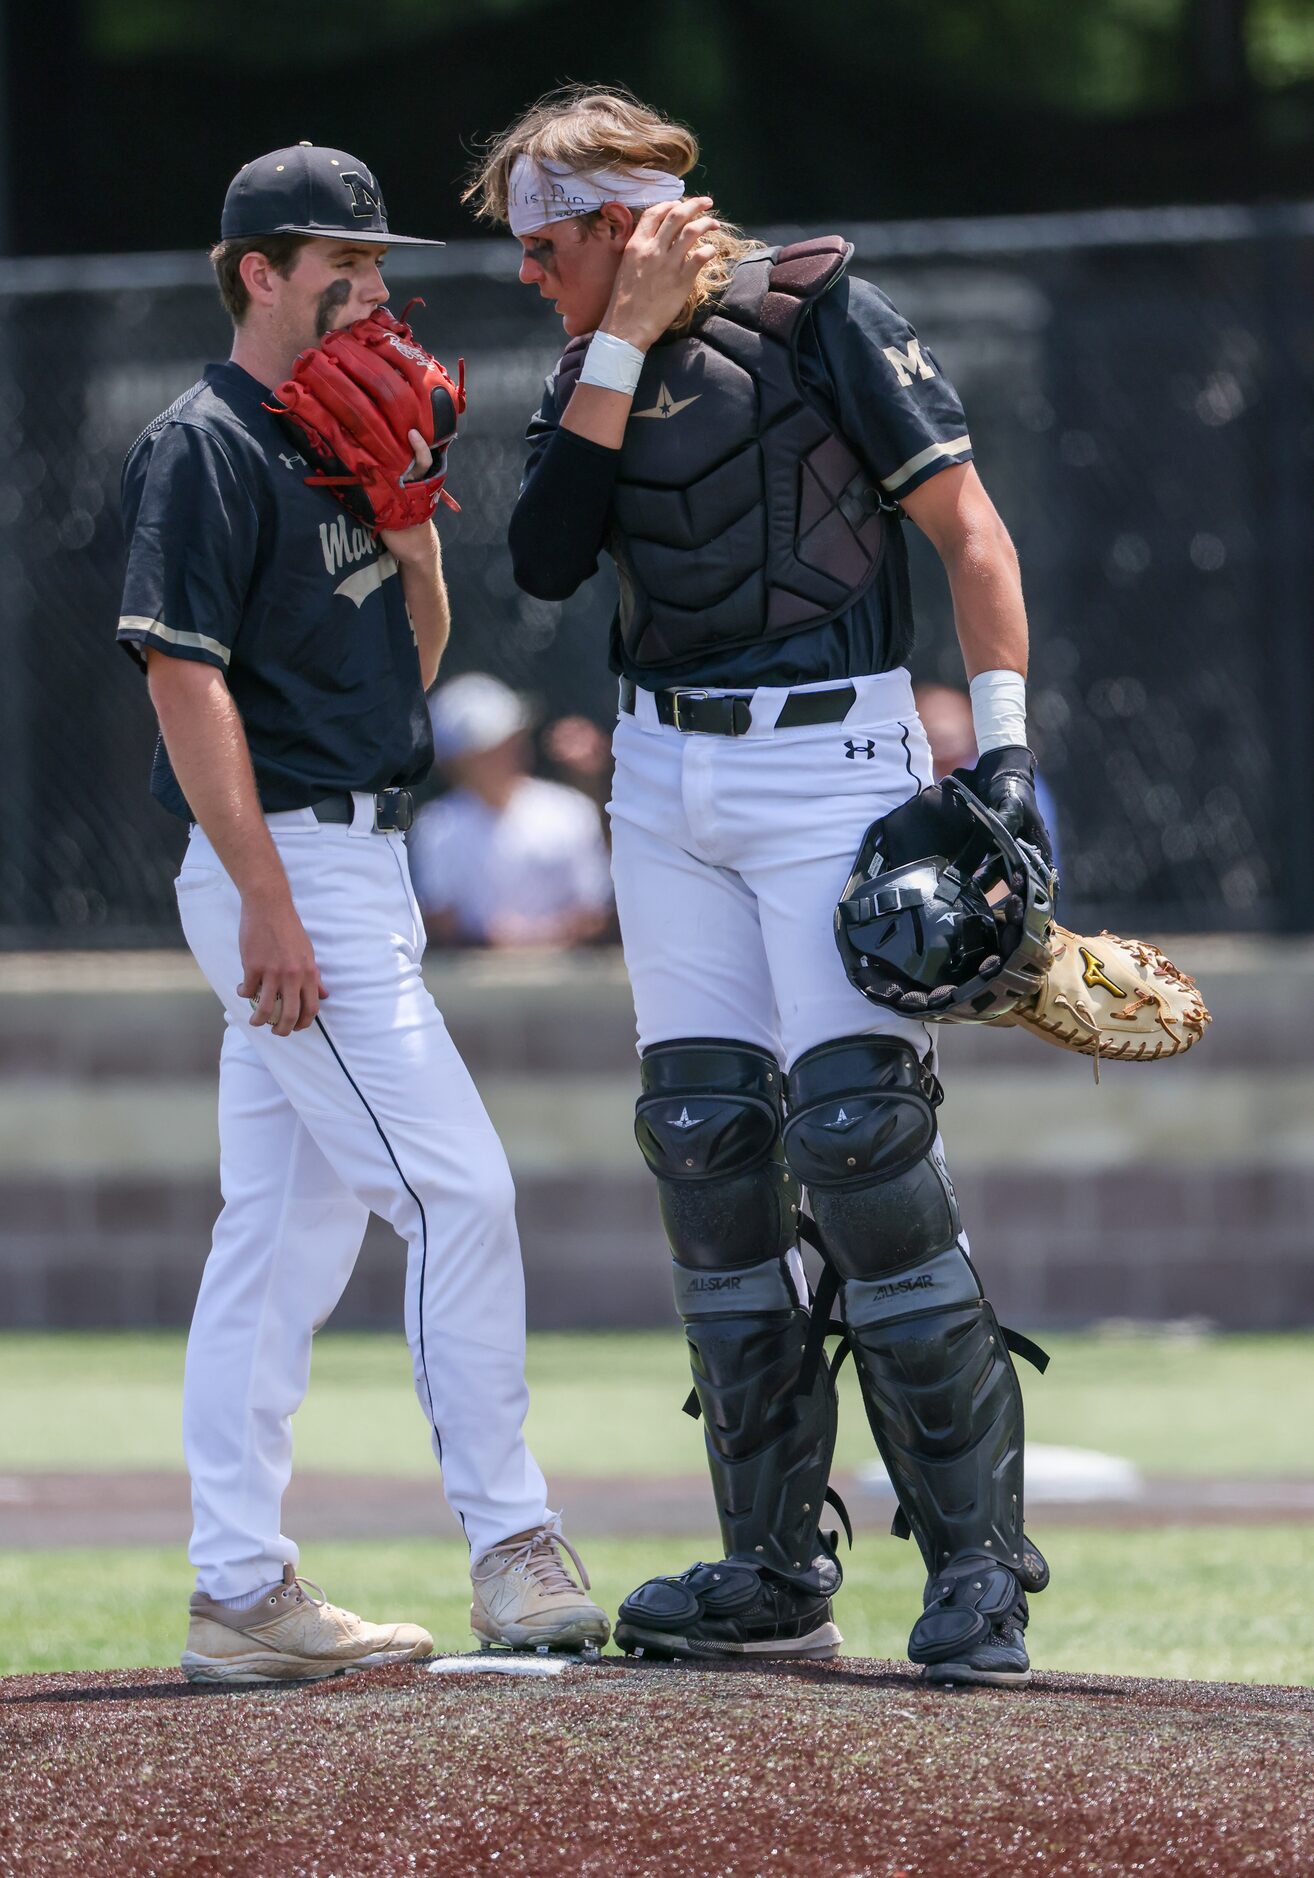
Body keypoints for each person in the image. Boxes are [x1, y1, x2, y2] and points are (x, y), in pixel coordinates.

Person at [468, 87, 1054, 1684]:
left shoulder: (816, 314)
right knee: (707, 1149)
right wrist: (617, 338)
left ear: (612, 220)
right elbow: (540, 554)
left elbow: (970, 532)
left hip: (827, 764)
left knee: (858, 1139)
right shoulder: (592, 364)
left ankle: (977, 1565)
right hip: (661, 780)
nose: (523, 272)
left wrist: (1001, 764)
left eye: (539, 242)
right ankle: (771, 1561)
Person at [117, 141, 608, 1683]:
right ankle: (511, 1540)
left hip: (362, 857)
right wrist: (265, 896)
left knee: (275, 1240)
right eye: (340, 261)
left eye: (377, 260)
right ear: (256, 270)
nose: (373, 288)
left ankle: (242, 1589)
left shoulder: (341, 434)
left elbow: (410, 653)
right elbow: (181, 680)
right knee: (456, 1188)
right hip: (290, 872)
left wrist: (413, 539)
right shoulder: (199, 443)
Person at [408, 672, 615, 947]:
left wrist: (542, 935)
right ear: (458, 762)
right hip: (470, 983)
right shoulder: (435, 825)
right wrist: (492, 937)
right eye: (489, 747)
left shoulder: (572, 810)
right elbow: (437, 920)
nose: (509, 750)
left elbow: (597, 911)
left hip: (570, 976)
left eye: (512, 738)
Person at [914, 679, 1062, 877]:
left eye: (950, 715)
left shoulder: (1008, 778)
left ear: (971, 721)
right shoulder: (909, 781)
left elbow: (1024, 864)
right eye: (932, 716)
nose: (942, 727)